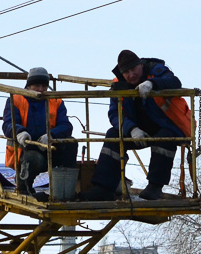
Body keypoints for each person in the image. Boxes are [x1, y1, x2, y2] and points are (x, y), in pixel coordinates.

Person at [77, 49, 191, 202]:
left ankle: (155, 186)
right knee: (113, 135)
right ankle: (103, 188)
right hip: (137, 129)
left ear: (141, 66)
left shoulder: (156, 71)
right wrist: (131, 129)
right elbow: (114, 114)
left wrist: (153, 83)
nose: (131, 75)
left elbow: (175, 82)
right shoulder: (118, 85)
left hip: (166, 124)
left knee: (165, 138)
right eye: (126, 72)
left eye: (133, 69)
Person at [2, 67, 76, 199]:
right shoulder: (16, 99)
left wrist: (52, 135)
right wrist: (20, 132)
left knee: (71, 143)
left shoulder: (56, 101)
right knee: (33, 159)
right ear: (29, 85)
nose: (41, 89)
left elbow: (66, 125)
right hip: (26, 148)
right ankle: (24, 186)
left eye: (44, 85)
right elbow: (8, 124)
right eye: (37, 85)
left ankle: (64, 190)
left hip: (49, 146)